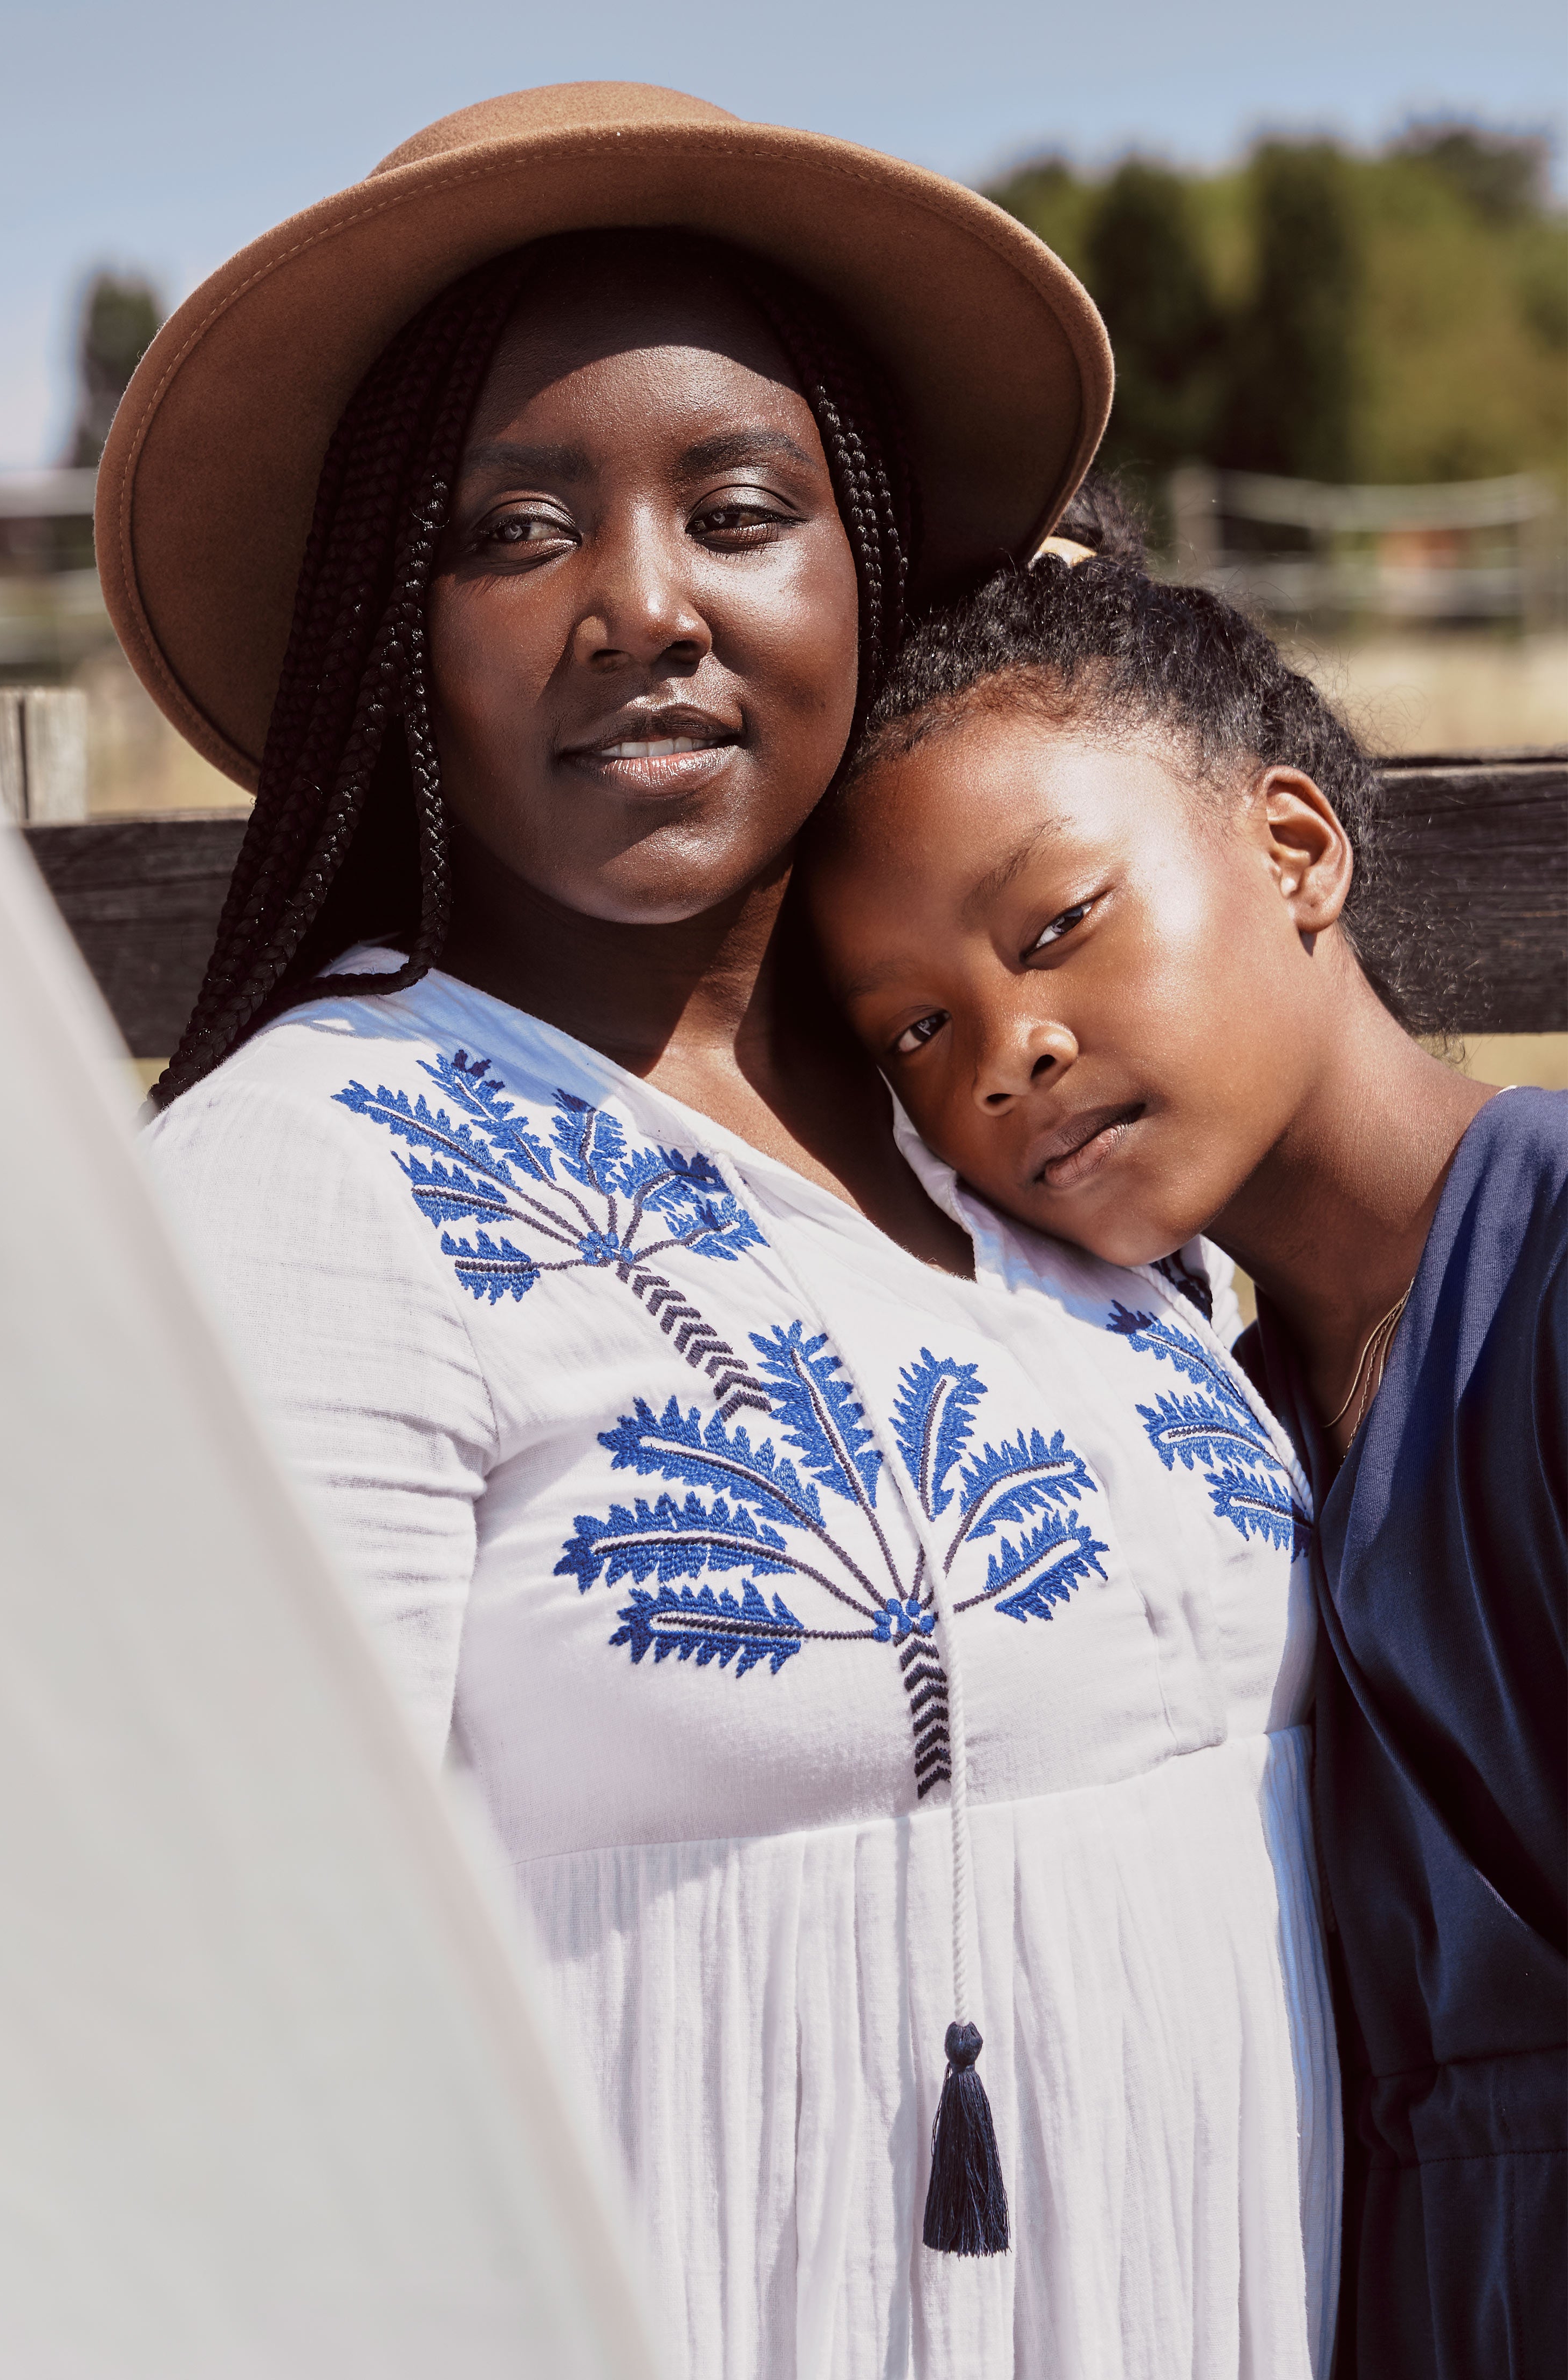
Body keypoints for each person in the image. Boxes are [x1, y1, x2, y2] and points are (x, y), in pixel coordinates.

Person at [111, 86, 1339, 2377]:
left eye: (739, 508)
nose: (637, 605)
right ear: (395, 627)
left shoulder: (998, 1120)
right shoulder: (317, 1183)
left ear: (862, 565)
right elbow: (222, 2039)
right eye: (508, 530)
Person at [807, 511, 1566, 2378]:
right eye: (912, 1030)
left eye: (1056, 924)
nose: (1006, 1051)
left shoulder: (1547, 1277)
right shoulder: (1221, 1428)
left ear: (1291, 845)